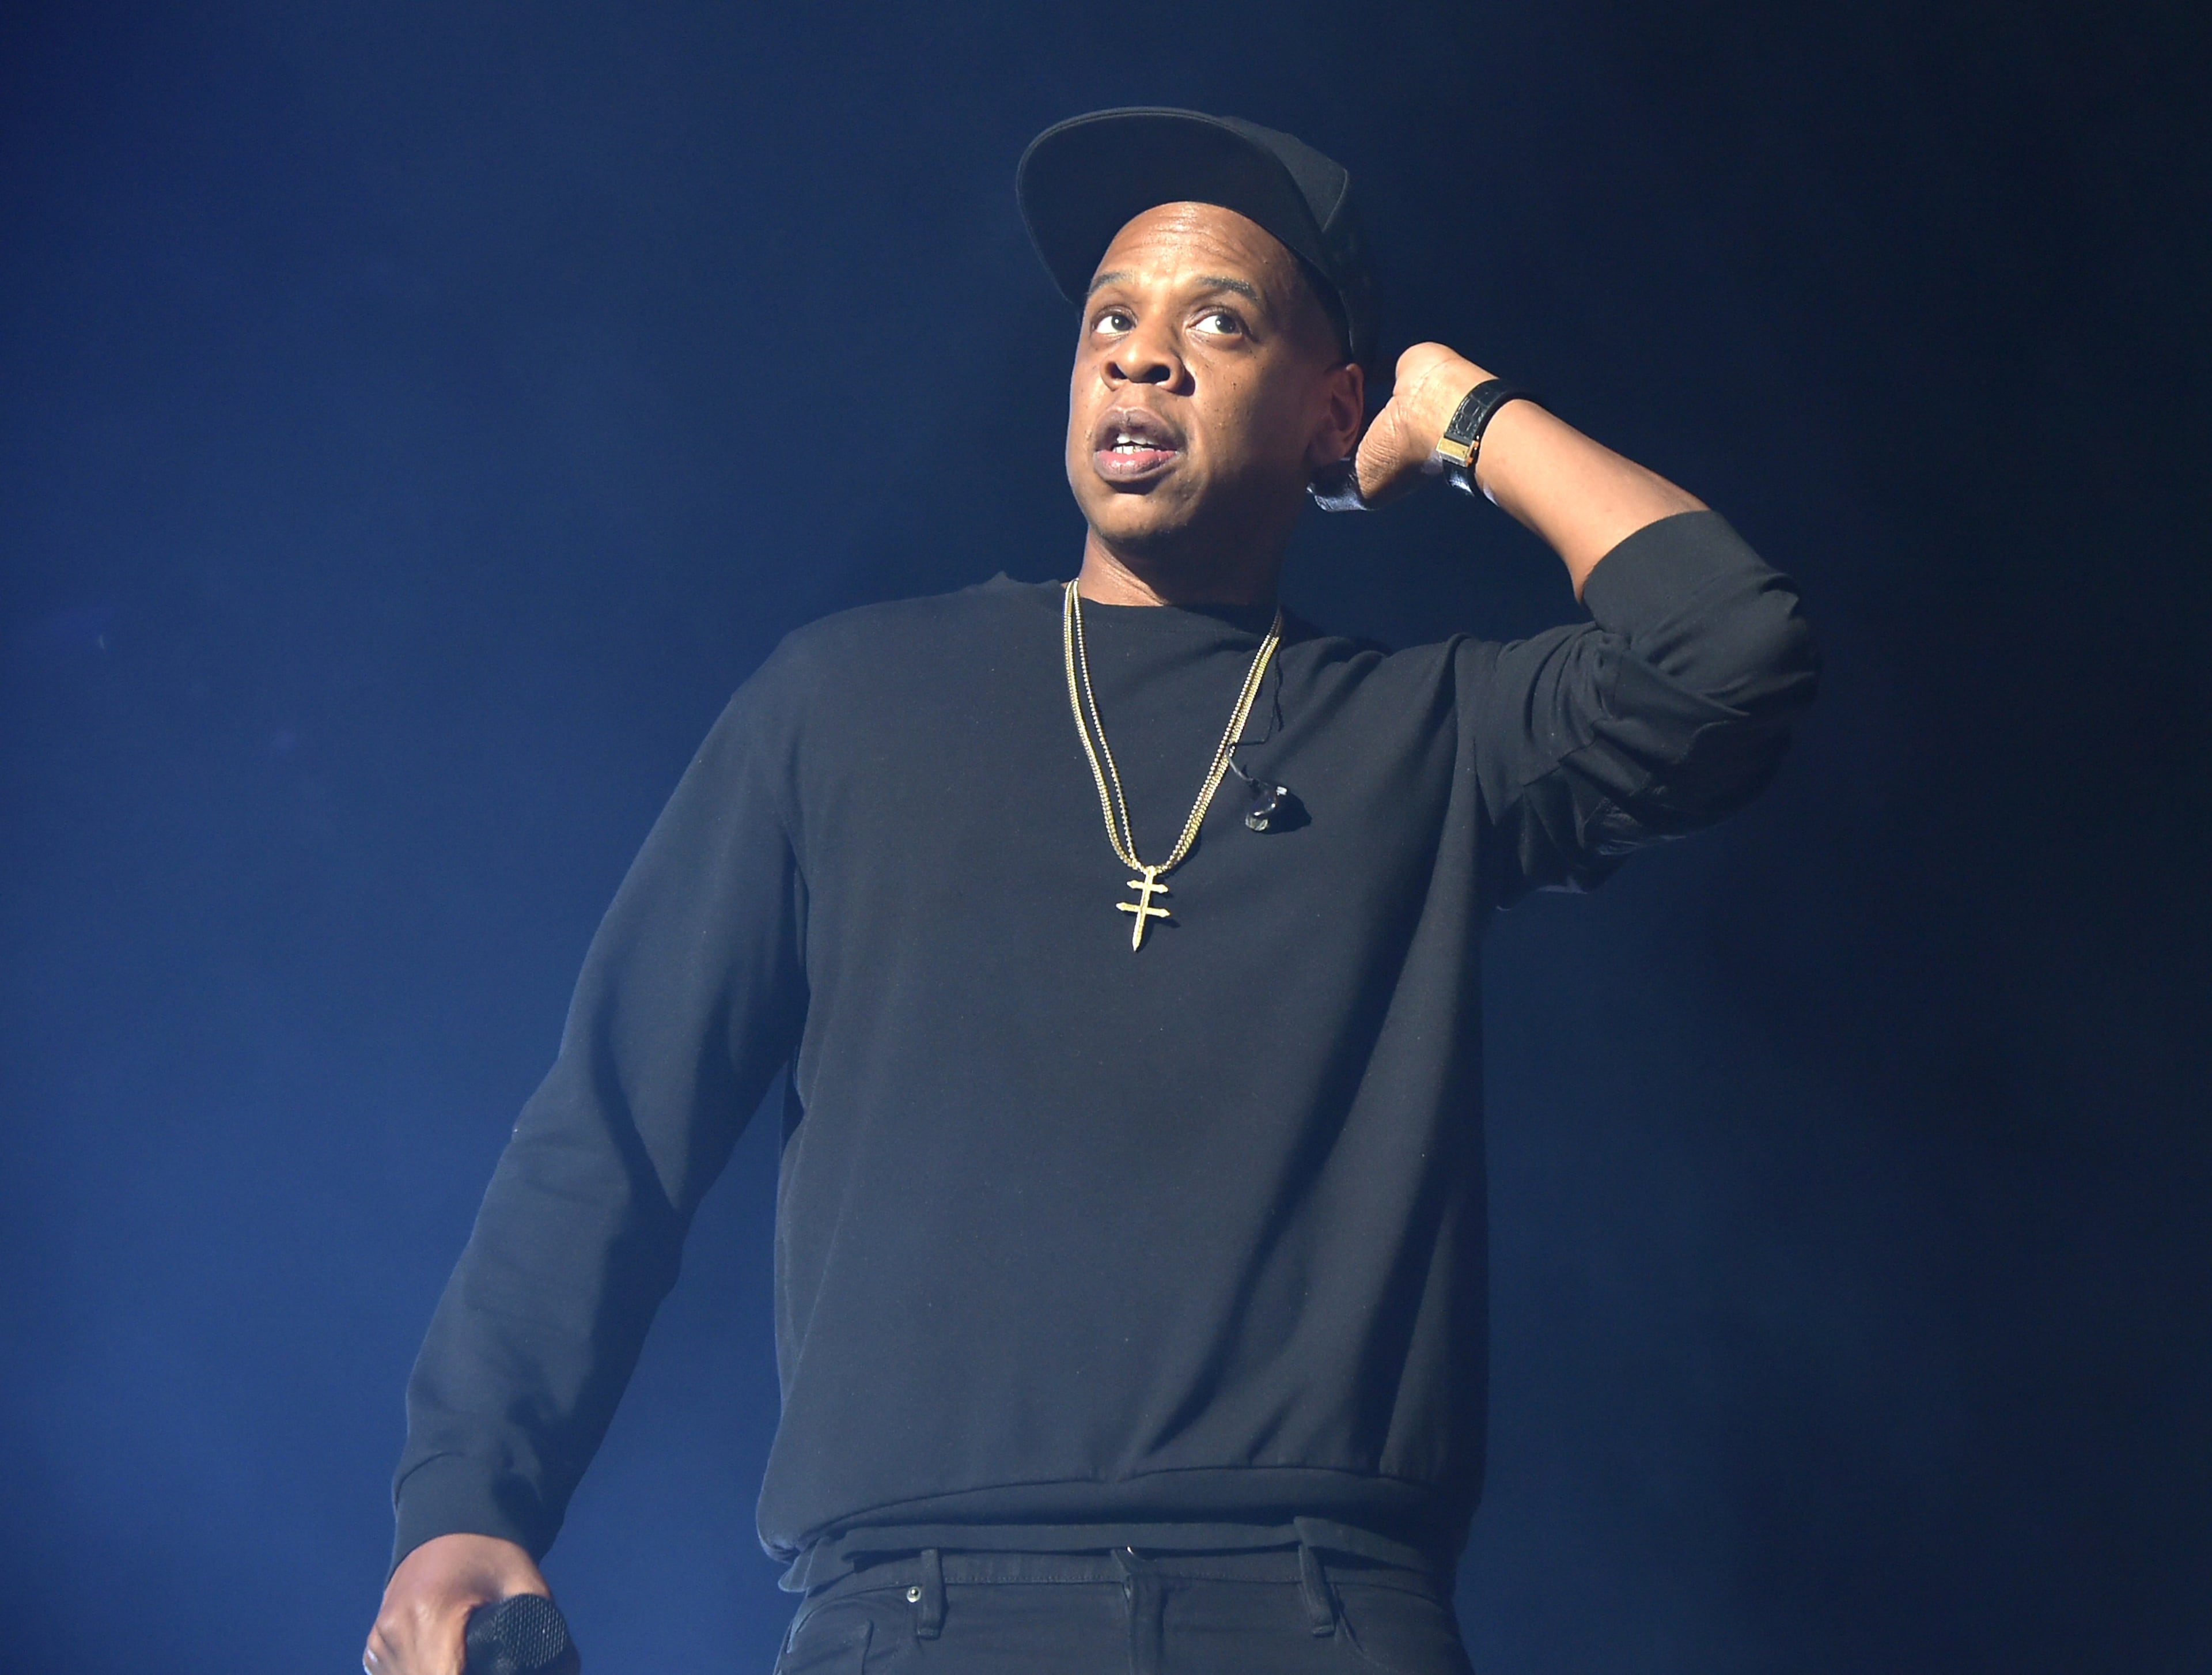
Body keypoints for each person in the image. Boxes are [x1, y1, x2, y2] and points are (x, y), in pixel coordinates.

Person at [364, 108, 1817, 1675]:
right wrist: (465, 1495)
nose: (1143, 356)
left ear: (1330, 411)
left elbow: (1729, 652)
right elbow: (612, 1129)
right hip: (910, 1614)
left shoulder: (1427, 736)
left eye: (1219, 321)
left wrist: (1457, 412)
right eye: (1112, 318)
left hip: (1318, 1611)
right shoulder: (844, 708)